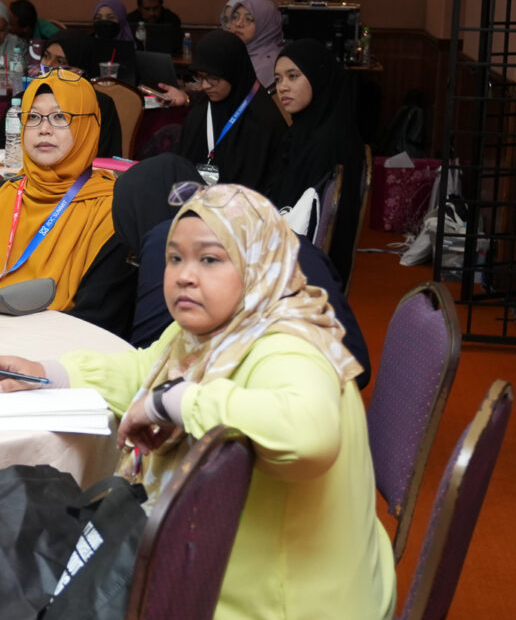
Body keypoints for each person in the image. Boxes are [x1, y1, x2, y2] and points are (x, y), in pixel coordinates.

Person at [0, 183, 394, 620]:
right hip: (282, 585)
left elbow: (308, 436)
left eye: (210, 258)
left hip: (293, 616)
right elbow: (145, 371)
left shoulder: (287, 345)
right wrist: (45, 372)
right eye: (174, 258)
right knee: (50, 611)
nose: (185, 276)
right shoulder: (224, 330)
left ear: (259, 261)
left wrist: (175, 402)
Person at [113, 154, 369, 382]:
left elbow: (150, 361)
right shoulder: (273, 231)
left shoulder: (169, 241)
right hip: (342, 382)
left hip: (283, 397)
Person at [0, 69, 133, 334]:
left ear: (87, 126)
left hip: (61, 346)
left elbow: (100, 318)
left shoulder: (112, 210)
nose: (44, 130)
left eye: (60, 117)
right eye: (33, 117)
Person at [269, 39, 366, 283]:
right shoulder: (307, 129)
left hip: (305, 269)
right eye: (278, 79)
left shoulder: (328, 141)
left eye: (293, 76)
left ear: (318, 77)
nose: (282, 87)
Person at [160, 30, 285, 192]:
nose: (205, 85)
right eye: (200, 77)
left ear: (233, 72)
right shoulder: (202, 110)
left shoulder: (262, 120)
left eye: (214, 78)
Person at [39, 30, 123, 159]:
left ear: (81, 68)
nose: (48, 65)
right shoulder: (27, 98)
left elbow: (105, 158)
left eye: (60, 62)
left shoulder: (99, 105)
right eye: (46, 56)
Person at [225, 0, 285, 89]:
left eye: (248, 19)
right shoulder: (236, 52)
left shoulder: (269, 64)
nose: (238, 24)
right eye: (235, 17)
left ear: (265, 26)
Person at [88, 0, 138, 86]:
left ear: (121, 19)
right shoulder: (87, 44)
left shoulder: (135, 46)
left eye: (110, 18)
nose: (104, 21)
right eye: (98, 18)